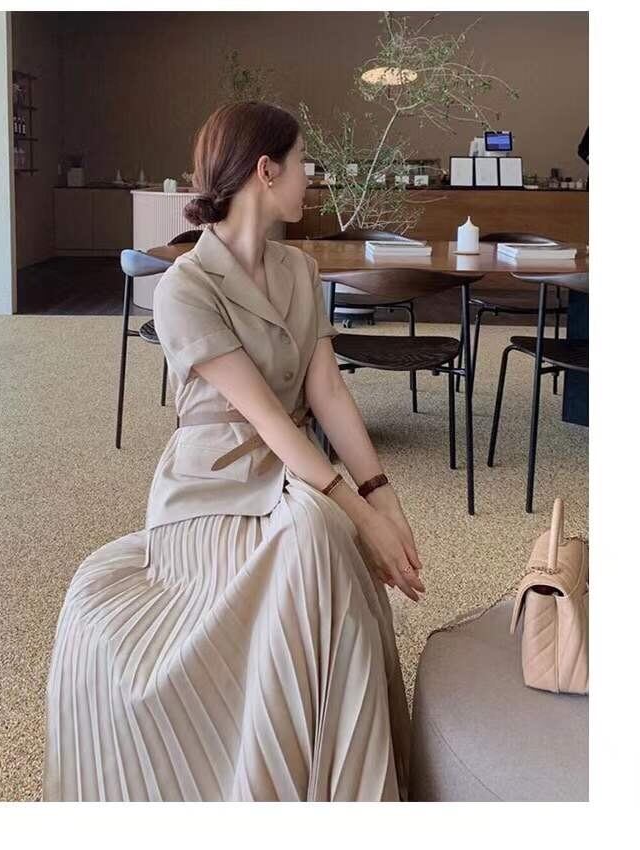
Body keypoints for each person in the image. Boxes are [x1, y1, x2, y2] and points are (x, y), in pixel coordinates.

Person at [42, 101, 425, 802]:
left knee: (323, 537)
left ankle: (341, 782)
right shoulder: (184, 286)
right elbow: (266, 418)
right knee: (319, 532)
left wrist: (383, 497)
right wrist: (358, 514)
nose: (312, 178)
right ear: (266, 170)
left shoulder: (301, 270)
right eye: (304, 162)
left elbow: (328, 393)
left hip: (291, 471)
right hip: (213, 480)